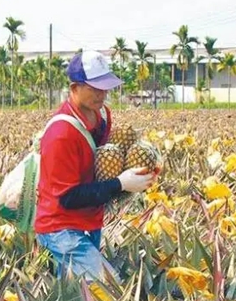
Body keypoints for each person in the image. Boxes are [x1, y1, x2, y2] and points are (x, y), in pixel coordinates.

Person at [34, 50, 157, 284]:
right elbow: (68, 198)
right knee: (110, 288)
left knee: (75, 297)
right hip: (60, 229)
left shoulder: (100, 115)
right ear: (74, 88)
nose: (102, 94)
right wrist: (120, 183)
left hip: (89, 222)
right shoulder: (61, 134)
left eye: (105, 87)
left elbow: (101, 165)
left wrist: (138, 170)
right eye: (94, 88)